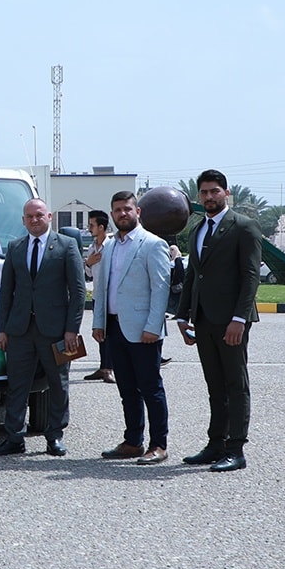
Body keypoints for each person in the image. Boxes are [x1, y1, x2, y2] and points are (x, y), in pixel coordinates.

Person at [175, 170, 262, 472]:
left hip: (231, 321)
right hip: (203, 319)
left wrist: (239, 318)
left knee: (235, 384)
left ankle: (236, 449)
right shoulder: (197, 229)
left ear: (226, 193)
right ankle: (216, 444)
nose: (209, 197)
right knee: (215, 385)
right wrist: (183, 315)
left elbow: (251, 277)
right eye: (204, 192)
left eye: (214, 191)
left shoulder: (244, 227)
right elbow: (192, 275)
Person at [0, 198, 86, 457]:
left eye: (39, 215)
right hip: (20, 330)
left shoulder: (66, 245)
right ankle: (14, 438)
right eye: (29, 216)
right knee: (17, 386)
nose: (34, 220)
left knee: (58, 384)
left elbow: (78, 292)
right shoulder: (15, 247)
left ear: (49, 216)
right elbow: (6, 291)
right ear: (23, 220)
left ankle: (54, 436)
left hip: (56, 331)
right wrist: (3, 329)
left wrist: (72, 329)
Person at [91, 190, 172, 464]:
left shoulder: (153, 244)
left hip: (143, 330)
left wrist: (153, 326)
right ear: (112, 214)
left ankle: (158, 444)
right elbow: (102, 288)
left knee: (150, 388)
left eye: (127, 209)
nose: (122, 214)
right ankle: (133, 442)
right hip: (114, 328)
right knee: (127, 389)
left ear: (138, 212)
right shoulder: (110, 246)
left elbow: (160, 289)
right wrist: (99, 322)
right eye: (117, 210)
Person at [81, 209, 115, 382]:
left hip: (111, 297)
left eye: (92, 225)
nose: (89, 228)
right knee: (99, 332)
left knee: (111, 333)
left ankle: (109, 368)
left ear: (101, 227)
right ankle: (103, 367)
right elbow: (88, 274)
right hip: (96, 296)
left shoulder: (112, 246)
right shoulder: (91, 248)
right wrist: (88, 263)